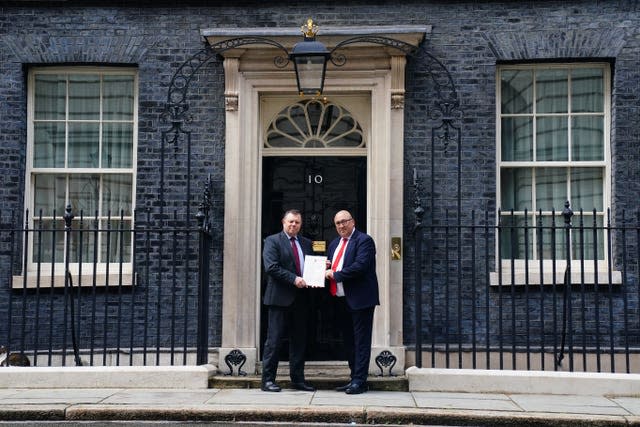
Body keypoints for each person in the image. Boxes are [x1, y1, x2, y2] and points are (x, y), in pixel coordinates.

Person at [325, 210, 379, 394]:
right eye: (338, 223)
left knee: (361, 341)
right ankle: (353, 377)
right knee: (349, 341)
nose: (341, 226)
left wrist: (335, 274)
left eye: (344, 221)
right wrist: (326, 266)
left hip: (360, 299)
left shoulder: (364, 241)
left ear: (352, 221)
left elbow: (361, 266)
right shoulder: (334, 244)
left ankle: (360, 381)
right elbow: (333, 265)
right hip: (341, 299)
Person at [261, 209, 315, 392]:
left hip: (301, 300)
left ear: (301, 224)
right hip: (279, 299)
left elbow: (311, 267)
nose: (293, 225)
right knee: (274, 341)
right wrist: (294, 279)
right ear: (283, 222)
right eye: (290, 221)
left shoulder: (307, 243)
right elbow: (271, 267)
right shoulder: (272, 241)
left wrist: (322, 266)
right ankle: (267, 380)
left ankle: (298, 379)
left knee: (299, 341)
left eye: (297, 222)